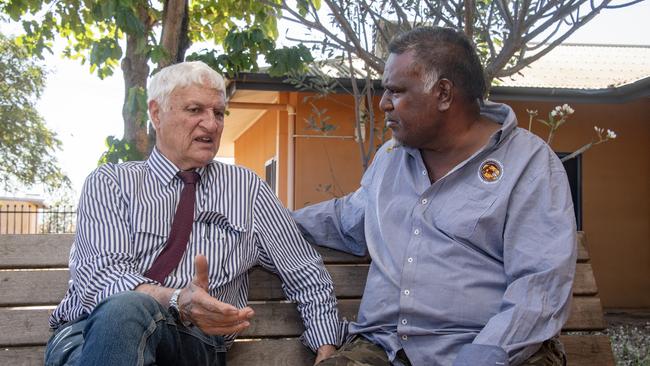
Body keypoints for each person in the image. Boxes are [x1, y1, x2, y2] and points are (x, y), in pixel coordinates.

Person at [292, 27, 577, 366]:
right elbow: (345, 220)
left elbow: (539, 286)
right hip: (384, 349)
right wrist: (264, 221)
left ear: (443, 93)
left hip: (488, 349)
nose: (383, 104)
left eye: (395, 91)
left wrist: (482, 356)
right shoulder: (390, 159)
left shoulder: (528, 164)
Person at [44, 61, 340, 366]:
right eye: (195, 110)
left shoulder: (247, 190)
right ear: (157, 113)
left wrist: (326, 345)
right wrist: (176, 299)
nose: (211, 124)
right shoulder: (111, 182)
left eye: (218, 113)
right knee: (124, 309)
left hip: (191, 342)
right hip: (88, 333)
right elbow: (102, 278)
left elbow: (303, 269)